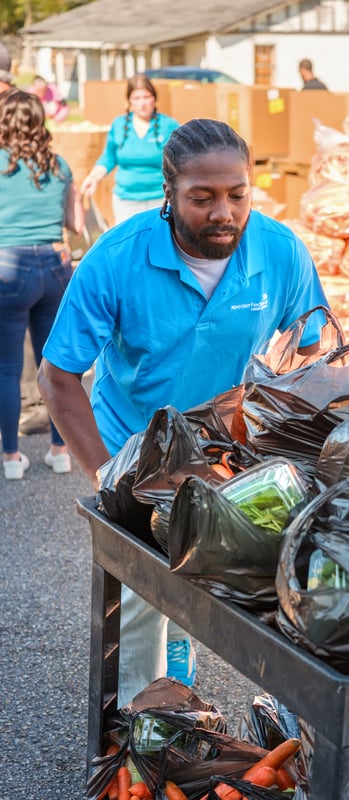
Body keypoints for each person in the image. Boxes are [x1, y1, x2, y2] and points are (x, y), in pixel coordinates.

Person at [38, 117, 329, 706]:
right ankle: (141, 731)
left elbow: (311, 347)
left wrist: (274, 416)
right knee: (143, 595)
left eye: (237, 195)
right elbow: (58, 374)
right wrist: (104, 474)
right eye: (203, 198)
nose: (223, 212)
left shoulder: (279, 251)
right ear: (167, 196)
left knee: (238, 576)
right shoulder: (116, 259)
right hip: (135, 445)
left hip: (227, 448)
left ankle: (193, 662)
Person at [0, 90, 84, 480]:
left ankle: (12, 458)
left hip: (8, 267)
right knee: (56, 366)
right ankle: (60, 450)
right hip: (54, 267)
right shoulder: (60, 165)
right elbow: (77, 225)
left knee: (7, 368)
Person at [80, 74, 179, 225]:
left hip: (161, 199)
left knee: (158, 244)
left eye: (147, 97)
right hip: (126, 200)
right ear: (130, 101)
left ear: (154, 98)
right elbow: (109, 157)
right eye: (137, 98)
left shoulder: (168, 125)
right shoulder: (119, 125)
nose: (143, 103)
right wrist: (93, 178)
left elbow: (183, 159)